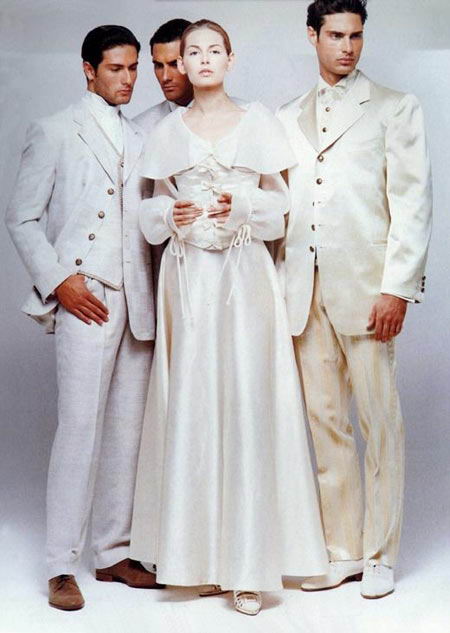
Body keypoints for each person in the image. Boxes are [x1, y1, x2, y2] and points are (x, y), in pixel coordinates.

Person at [129, 19, 329, 616]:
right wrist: (170, 215)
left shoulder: (259, 122)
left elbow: (281, 206)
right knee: (193, 403)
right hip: (190, 278)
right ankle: (197, 560)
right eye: (193, 52)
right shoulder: (167, 132)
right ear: (182, 63)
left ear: (230, 59)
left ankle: (249, 567)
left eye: (214, 50)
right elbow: (147, 212)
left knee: (247, 404)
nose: (204, 60)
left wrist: (242, 205)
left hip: (245, 281)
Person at [277, 0, 432, 599]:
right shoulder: (288, 115)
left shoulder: (395, 106)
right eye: (336, 35)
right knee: (326, 423)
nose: (347, 47)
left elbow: (412, 202)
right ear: (312, 36)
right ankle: (342, 549)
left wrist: (397, 287)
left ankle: (381, 554)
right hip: (304, 288)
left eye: (356, 36)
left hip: (368, 289)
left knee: (380, 422)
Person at [5, 25, 163, 611]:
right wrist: (58, 280)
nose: (128, 79)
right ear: (88, 69)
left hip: (137, 297)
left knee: (127, 430)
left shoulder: (143, 134)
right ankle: (59, 566)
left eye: (134, 68)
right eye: (116, 68)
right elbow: (21, 217)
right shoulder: (54, 130)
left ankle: (113, 551)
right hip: (85, 295)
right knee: (78, 429)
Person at [134, 18, 193, 135]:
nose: (165, 77)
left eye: (175, 64)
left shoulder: (231, 116)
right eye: (159, 65)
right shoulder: (140, 129)